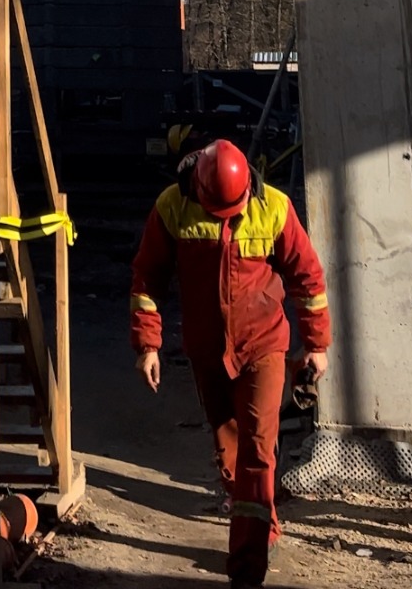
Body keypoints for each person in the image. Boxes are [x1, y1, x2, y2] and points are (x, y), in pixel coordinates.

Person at [131, 137, 331, 588]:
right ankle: (264, 521)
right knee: (231, 456)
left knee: (259, 452)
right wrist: (148, 344)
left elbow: (307, 277)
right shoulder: (172, 207)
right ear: (198, 188)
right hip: (207, 352)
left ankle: (246, 569)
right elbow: (148, 277)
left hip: (263, 346)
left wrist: (316, 343)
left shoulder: (274, 208)